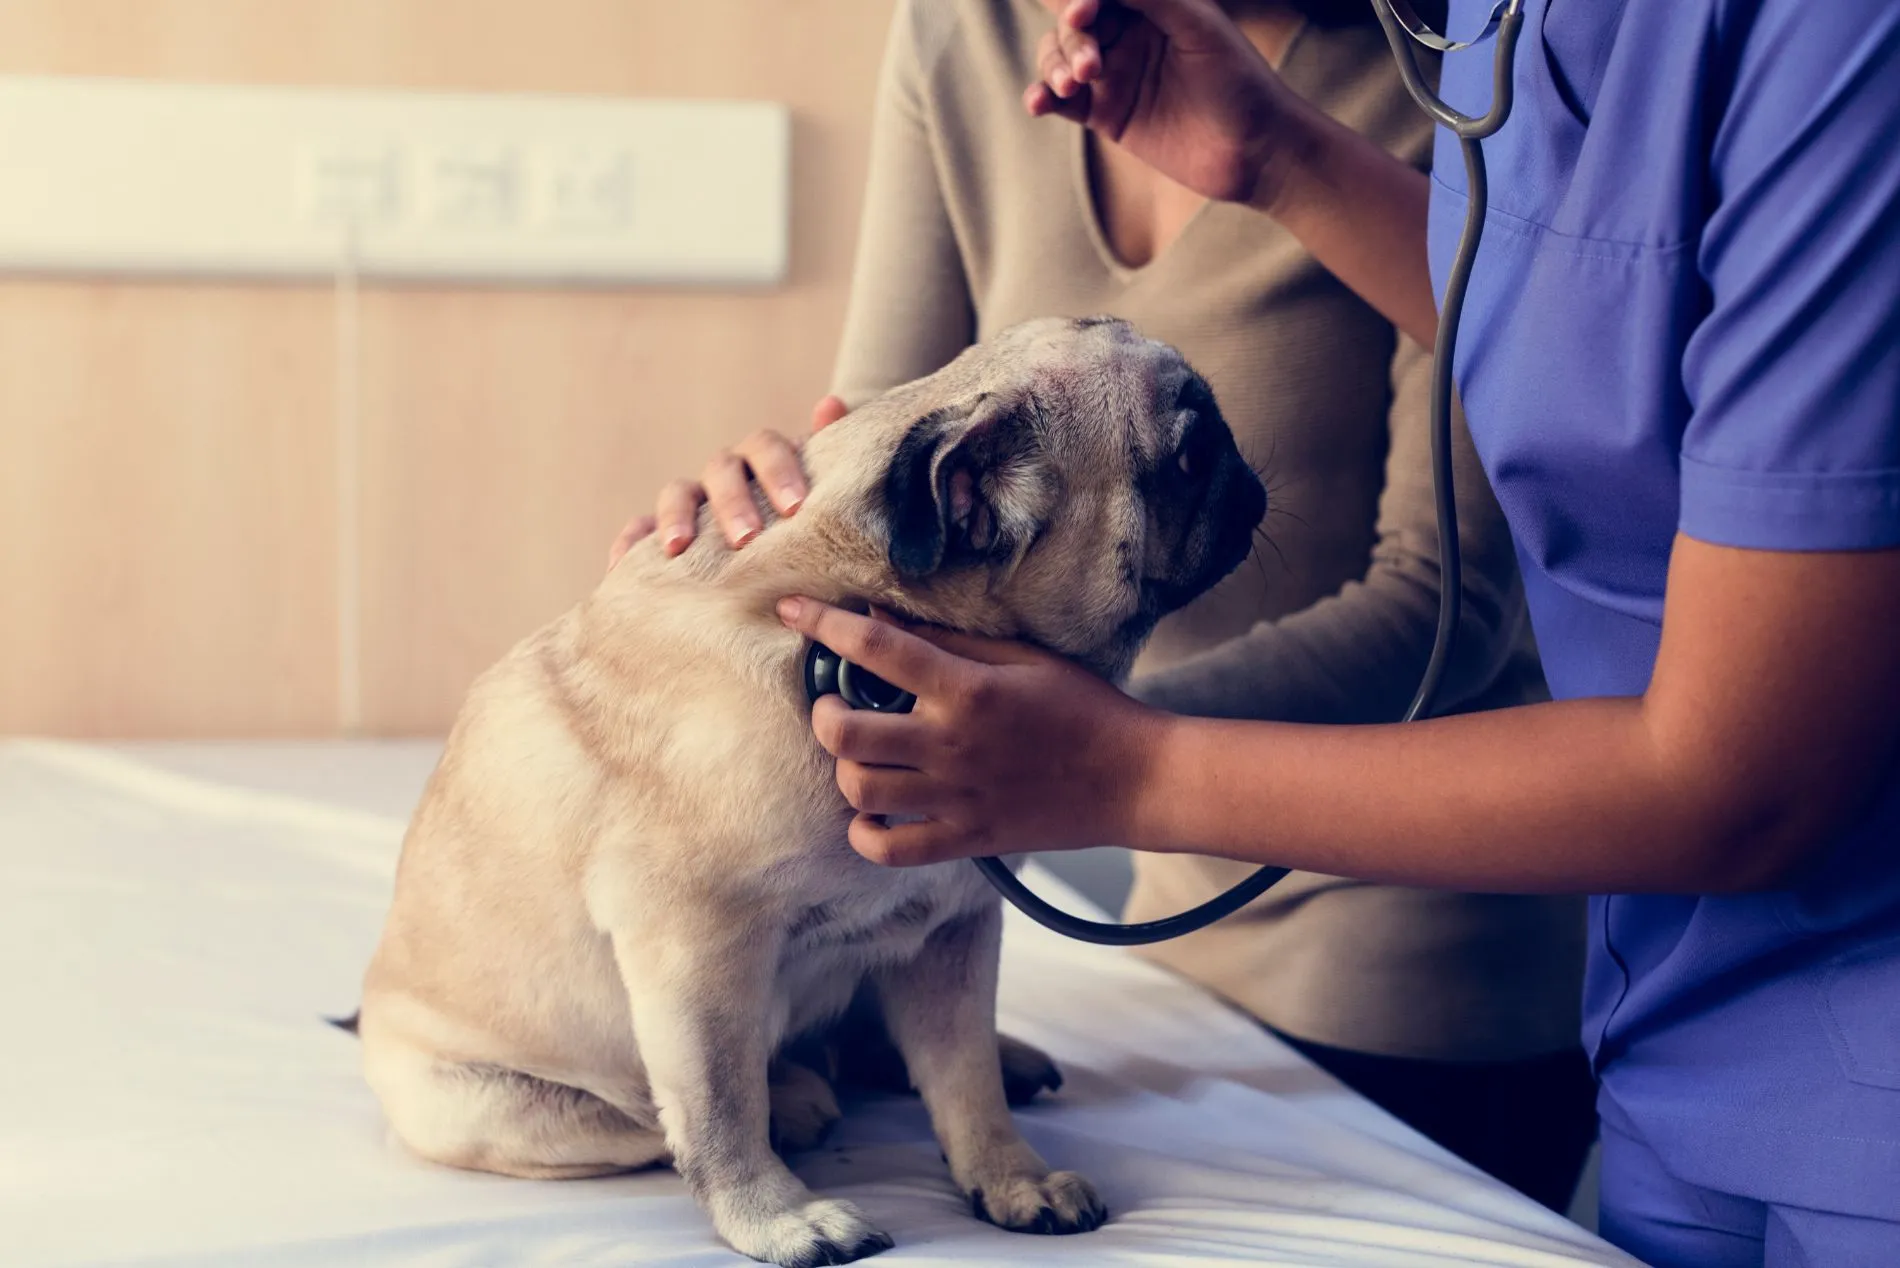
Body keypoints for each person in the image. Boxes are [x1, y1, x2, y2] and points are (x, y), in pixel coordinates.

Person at [632, 0, 1900, 1263]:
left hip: (1497, 963)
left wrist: (1103, 763)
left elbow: (1695, 739)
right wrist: (775, 520)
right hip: (1628, 1011)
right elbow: (896, 499)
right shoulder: (988, 37)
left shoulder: (1675, 55)